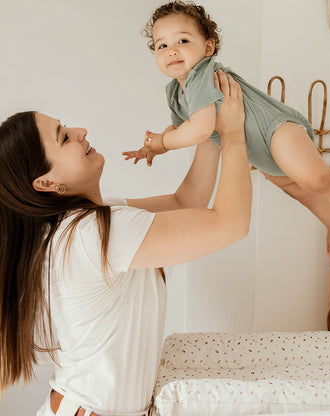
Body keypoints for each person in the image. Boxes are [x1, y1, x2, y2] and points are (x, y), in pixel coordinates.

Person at [0, 71, 250, 416]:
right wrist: (235, 136)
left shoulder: (86, 225)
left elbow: (185, 202)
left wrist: (209, 129)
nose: (80, 132)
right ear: (47, 182)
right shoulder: (93, 232)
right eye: (64, 138)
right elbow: (231, 223)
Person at [123, 0, 330, 256]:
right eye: (162, 45)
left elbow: (201, 129)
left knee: (316, 180)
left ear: (208, 48)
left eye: (182, 40)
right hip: (259, 152)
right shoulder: (175, 92)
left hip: (277, 130)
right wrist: (156, 147)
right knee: (296, 189)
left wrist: (163, 143)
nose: (172, 50)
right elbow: (183, 127)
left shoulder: (200, 75)